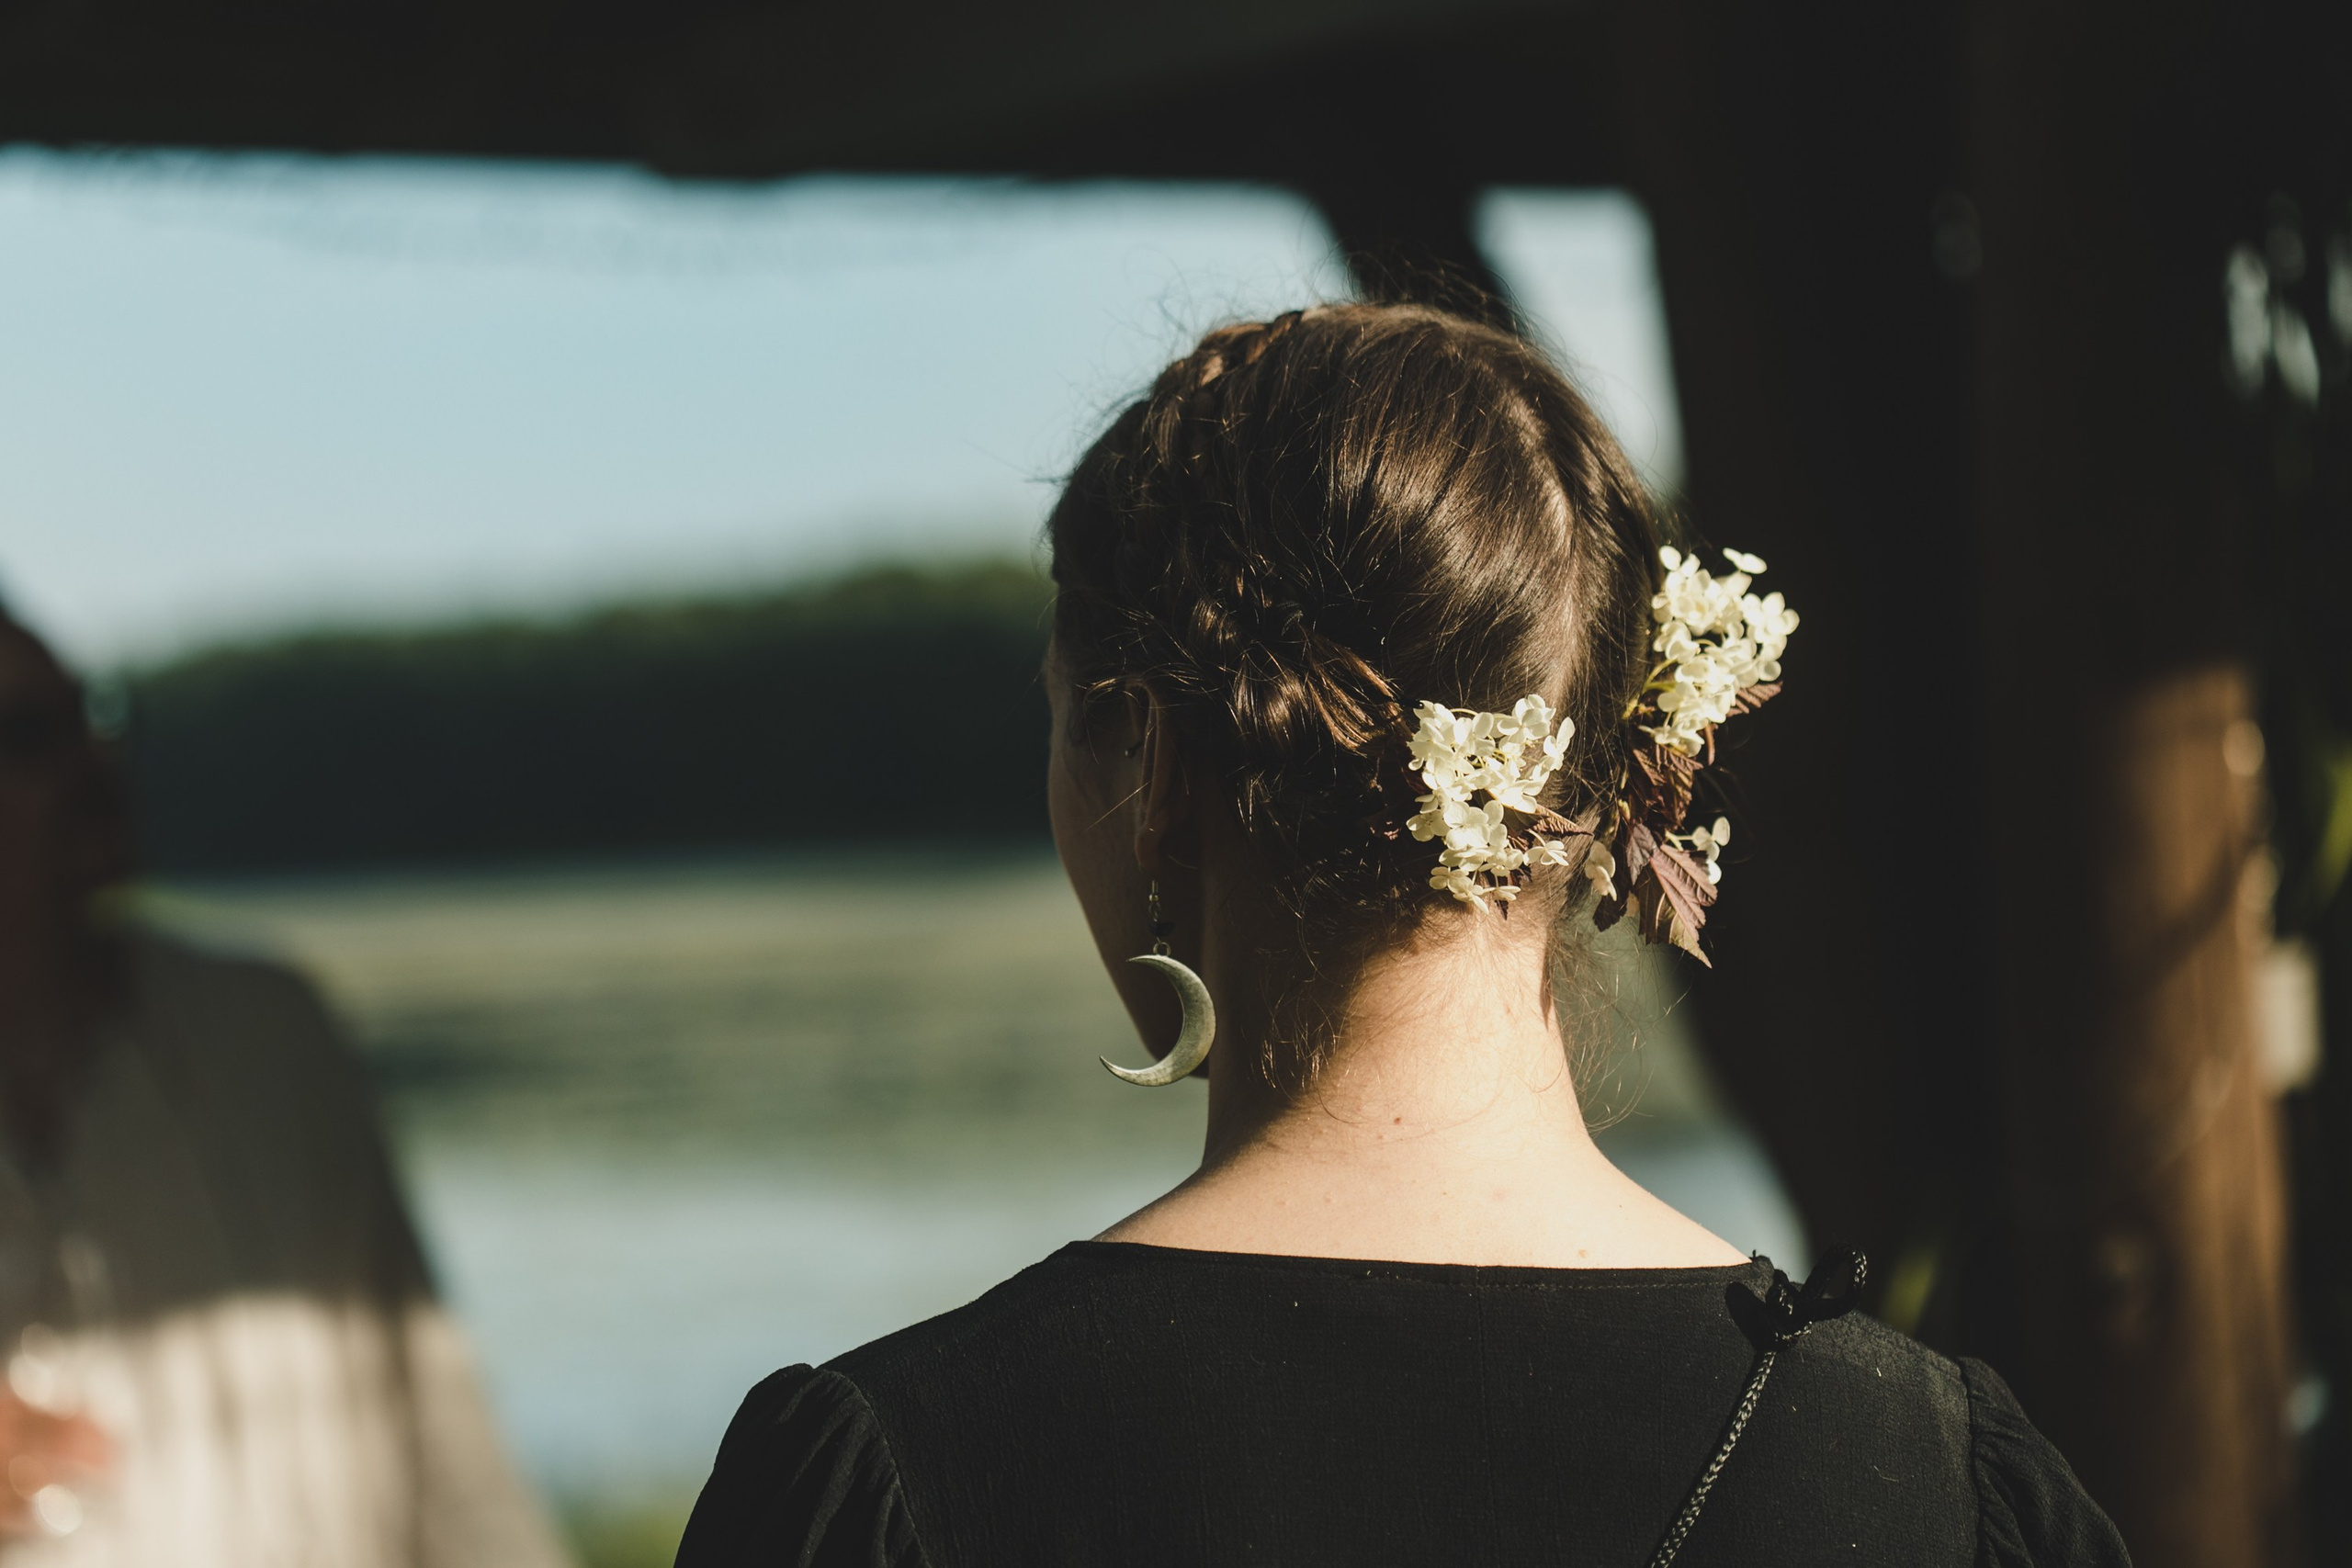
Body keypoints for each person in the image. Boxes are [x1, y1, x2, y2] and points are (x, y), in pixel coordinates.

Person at [676, 303, 2131, 1565]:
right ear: (1623, 760)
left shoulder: (897, 1475)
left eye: (1068, 718)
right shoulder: (1941, 1479)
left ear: (1162, 769)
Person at [0, 612, 567, 1567]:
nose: (89, 767)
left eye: (89, 716)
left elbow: (433, 1409)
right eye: (22, 739)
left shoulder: (267, 1032)